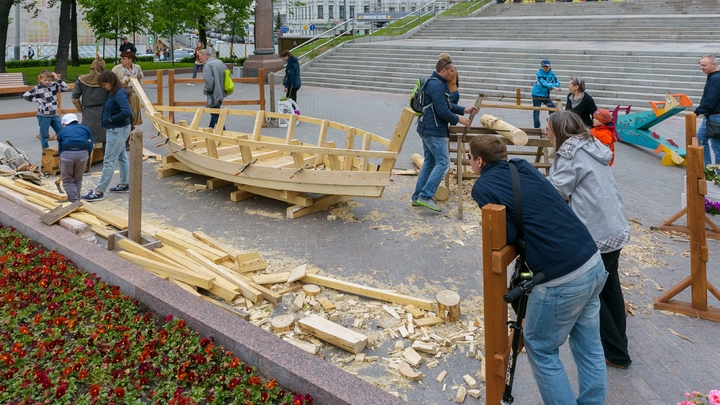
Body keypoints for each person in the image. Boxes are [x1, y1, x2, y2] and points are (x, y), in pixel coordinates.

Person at [469, 134, 608, 405]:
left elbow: (506, 234)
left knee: (541, 348)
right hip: (591, 259)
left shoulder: (483, 186)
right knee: (590, 349)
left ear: (479, 161)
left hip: (561, 276)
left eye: (471, 159)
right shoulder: (520, 166)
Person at [546, 111, 632, 370]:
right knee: (611, 288)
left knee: (594, 293)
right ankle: (620, 344)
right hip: (613, 226)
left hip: (595, 231)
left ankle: (616, 353)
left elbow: (558, 191)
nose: (545, 132)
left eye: (548, 129)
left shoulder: (570, 154)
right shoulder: (592, 145)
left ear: (560, 131)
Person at [412, 57, 477, 212]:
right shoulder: (437, 86)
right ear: (444, 70)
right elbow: (442, 111)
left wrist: (464, 110)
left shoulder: (437, 83)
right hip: (434, 130)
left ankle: (416, 197)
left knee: (429, 162)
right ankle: (425, 196)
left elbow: (445, 104)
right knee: (443, 163)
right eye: (451, 71)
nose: (453, 74)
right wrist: (459, 119)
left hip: (426, 128)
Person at [81, 71, 132, 202]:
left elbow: (126, 111)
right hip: (117, 129)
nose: (104, 87)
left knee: (109, 160)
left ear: (111, 82)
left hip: (117, 130)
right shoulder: (113, 92)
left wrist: (111, 119)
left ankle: (99, 191)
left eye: (105, 84)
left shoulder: (119, 93)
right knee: (122, 157)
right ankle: (124, 184)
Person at [22, 70, 70, 150]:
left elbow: (66, 88)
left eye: (49, 80)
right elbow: (25, 95)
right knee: (44, 135)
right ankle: (46, 151)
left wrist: (57, 79)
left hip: (55, 114)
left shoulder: (54, 85)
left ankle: (63, 149)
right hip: (44, 115)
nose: (47, 82)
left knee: (62, 133)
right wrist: (37, 100)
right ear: (41, 79)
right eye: (45, 80)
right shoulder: (37, 88)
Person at [72, 57, 109, 146]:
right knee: (106, 137)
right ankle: (106, 158)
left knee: (88, 136)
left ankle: (86, 158)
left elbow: (74, 98)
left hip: (88, 112)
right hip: (105, 111)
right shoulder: (107, 80)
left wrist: (81, 110)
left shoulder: (81, 80)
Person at [57, 114, 93, 202]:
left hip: (67, 154)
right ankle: (77, 199)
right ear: (77, 121)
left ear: (65, 123)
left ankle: (74, 201)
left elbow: (60, 147)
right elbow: (91, 145)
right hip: (83, 154)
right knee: (78, 178)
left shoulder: (62, 131)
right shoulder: (86, 129)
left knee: (67, 179)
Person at [695, 54, 720, 166]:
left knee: (717, 147)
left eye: (704, 65)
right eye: (701, 65)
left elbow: (711, 100)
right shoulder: (714, 77)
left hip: (715, 117)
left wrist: (697, 111)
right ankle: (707, 168)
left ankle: (717, 175)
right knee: (700, 139)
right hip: (710, 116)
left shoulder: (715, 78)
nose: (702, 67)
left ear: (714, 64)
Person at [197, 49, 228, 130]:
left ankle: (224, 133)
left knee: (215, 113)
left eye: (200, 58)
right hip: (221, 91)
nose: (200, 60)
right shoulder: (219, 62)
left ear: (206, 56)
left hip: (214, 93)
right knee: (215, 112)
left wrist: (206, 90)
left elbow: (209, 82)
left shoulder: (207, 65)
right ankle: (210, 128)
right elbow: (227, 73)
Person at [112, 51, 144, 127]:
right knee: (125, 114)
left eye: (124, 59)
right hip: (122, 95)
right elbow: (113, 82)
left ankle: (132, 127)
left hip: (134, 94)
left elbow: (141, 78)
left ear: (130, 60)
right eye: (121, 59)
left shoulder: (137, 68)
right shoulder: (116, 69)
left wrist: (138, 88)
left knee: (134, 114)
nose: (121, 60)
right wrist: (126, 81)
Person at [531, 59, 561, 129]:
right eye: (544, 67)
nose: (545, 68)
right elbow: (543, 82)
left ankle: (550, 124)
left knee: (553, 108)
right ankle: (537, 127)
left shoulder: (552, 73)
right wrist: (553, 86)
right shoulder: (539, 73)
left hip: (545, 95)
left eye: (547, 67)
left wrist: (555, 85)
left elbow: (556, 81)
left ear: (550, 66)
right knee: (536, 111)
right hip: (537, 94)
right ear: (541, 67)